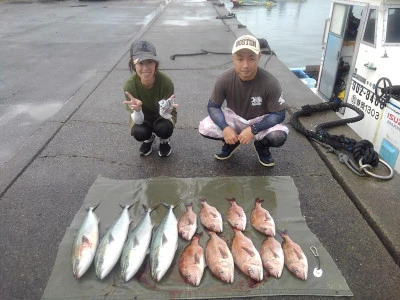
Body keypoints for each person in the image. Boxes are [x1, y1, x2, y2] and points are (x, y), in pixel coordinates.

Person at [199, 34, 288, 167]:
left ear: (259, 57)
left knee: (278, 137)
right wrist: (225, 128)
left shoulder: (271, 82)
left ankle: (262, 146)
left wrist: (254, 129)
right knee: (205, 127)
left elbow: (279, 114)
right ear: (233, 58)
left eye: (251, 59)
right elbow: (213, 106)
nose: (245, 65)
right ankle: (231, 142)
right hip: (235, 117)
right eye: (240, 59)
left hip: (261, 120)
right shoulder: (225, 78)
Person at [123, 40, 177, 157]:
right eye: (140, 63)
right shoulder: (129, 86)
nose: (145, 68)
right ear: (133, 64)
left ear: (155, 64)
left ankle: (164, 140)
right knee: (139, 132)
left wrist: (167, 112)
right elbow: (138, 121)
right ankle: (148, 139)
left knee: (164, 128)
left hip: (161, 116)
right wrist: (137, 110)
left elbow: (168, 113)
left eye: (149, 62)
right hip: (143, 117)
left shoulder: (166, 82)